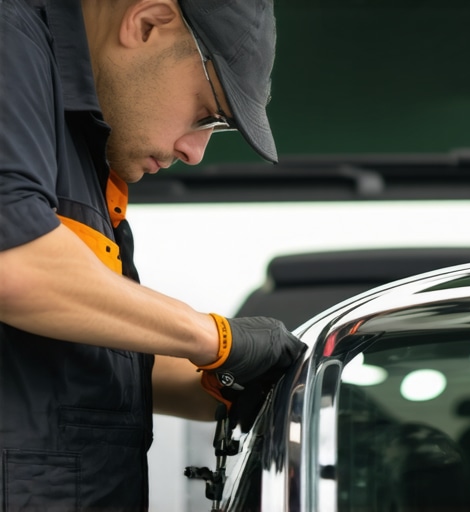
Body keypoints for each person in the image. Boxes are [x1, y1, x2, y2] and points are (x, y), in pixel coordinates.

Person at [0, 0, 306, 509]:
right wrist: (213, 337)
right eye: (207, 114)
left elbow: (87, 350)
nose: (194, 151)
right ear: (147, 24)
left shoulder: (84, 143)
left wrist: (226, 383)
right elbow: (15, 265)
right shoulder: (10, 39)